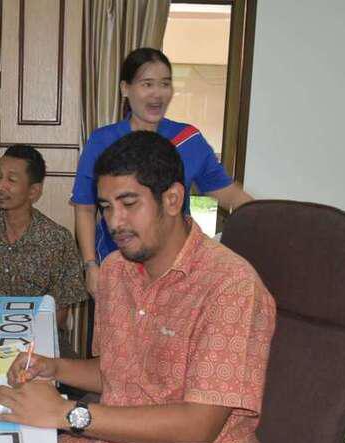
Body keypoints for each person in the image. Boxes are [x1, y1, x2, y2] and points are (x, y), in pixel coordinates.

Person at [0, 131, 276, 443]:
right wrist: (54, 369)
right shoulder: (117, 271)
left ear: (172, 199)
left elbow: (200, 424)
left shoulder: (230, 287)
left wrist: (69, 415)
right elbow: (117, 371)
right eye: (105, 207)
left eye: (129, 203)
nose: (114, 222)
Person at [73, 47, 254, 297]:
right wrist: (90, 265)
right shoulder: (102, 140)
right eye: (147, 84)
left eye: (165, 84)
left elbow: (228, 193)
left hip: (176, 270)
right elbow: (84, 208)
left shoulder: (188, 139)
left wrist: (272, 216)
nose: (157, 93)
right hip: (118, 267)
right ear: (125, 89)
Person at [0, 144, 87, 348]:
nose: (0, 186)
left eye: (11, 180)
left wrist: (26, 346)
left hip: (34, 341)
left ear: (33, 191)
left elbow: (60, 315)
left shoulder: (57, 239)